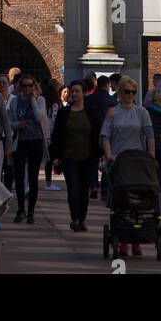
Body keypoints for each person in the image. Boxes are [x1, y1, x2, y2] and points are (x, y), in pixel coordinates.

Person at [101, 77, 155, 256]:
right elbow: (105, 136)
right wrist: (109, 155)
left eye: (133, 92)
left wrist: (151, 158)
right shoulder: (113, 111)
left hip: (138, 160)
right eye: (126, 92)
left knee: (139, 197)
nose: (130, 95)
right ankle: (124, 238)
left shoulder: (141, 112)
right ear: (119, 93)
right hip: (119, 160)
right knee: (122, 199)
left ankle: (137, 239)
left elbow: (149, 136)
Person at [50, 79, 102, 232]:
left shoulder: (91, 112)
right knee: (73, 188)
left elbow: (97, 133)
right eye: (72, 91)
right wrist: (55, 156)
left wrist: (99, 154)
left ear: (83, 93)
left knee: (84, 189)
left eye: (77, 91)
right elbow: (57, 135)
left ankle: (83, 217)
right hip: (69, 156)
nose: (74, 94)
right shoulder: (64, 112)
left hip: (87, 157)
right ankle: (75, 218)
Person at [8, 73, 49, 225]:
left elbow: (39, 117)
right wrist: (18, 125)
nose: (27, 89)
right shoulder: (14, 101)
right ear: (19, 87)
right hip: (20, 142)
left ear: (34, 86)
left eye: (30, 85)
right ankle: (20, 209)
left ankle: (31, 211)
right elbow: (10, 121)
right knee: (19, 176)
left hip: (36, 141)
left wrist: (32, 99)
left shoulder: (40, 100)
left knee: (33, 177)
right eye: (24, 86)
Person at [85, 74, 116, 198]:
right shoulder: (112, 101)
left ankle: (93, 185)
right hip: (106, 134)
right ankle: (104, 190)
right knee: (106, 161)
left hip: (91, 133)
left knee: (92, 161)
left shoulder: (88, 99)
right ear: (107, 85)